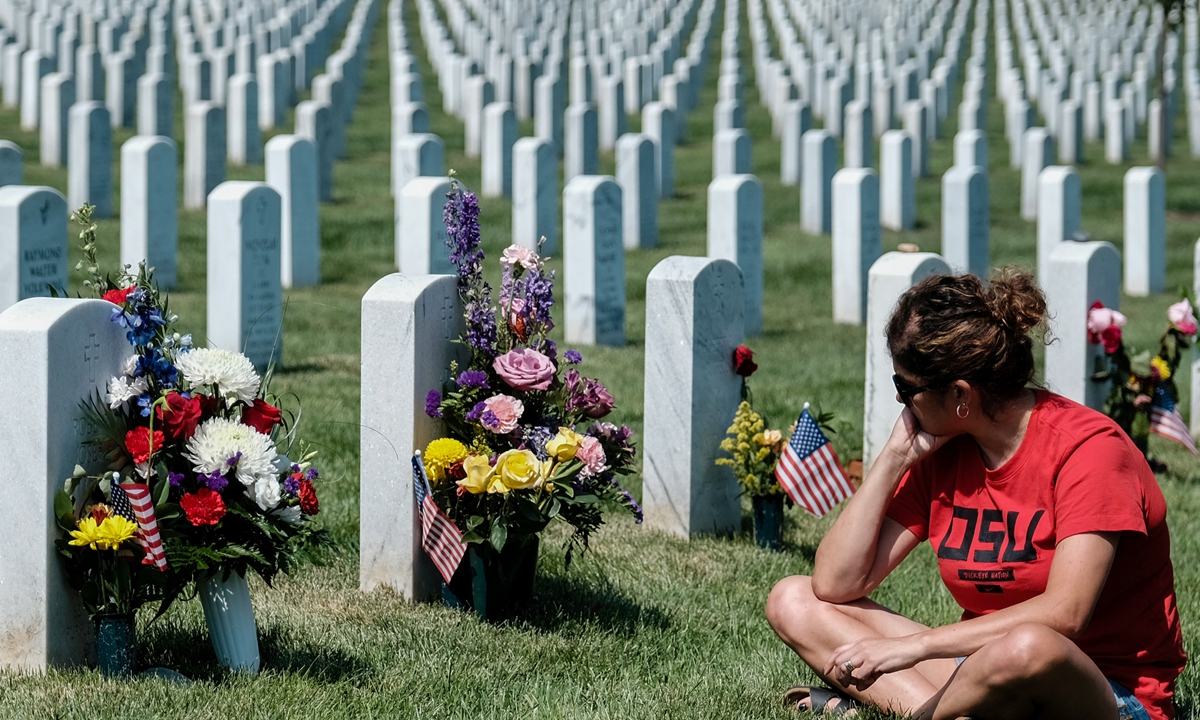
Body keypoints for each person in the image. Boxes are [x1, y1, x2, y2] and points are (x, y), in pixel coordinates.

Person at [765, 270, 1185, 719]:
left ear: (961, 394)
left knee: (1027, 645)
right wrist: (893, 458)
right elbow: (835, 584)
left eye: (905, 389)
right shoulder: (945, 449)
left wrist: (913, 648)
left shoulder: (1089, 451)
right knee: (793, 599)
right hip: (982, 667)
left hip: (1106, 692)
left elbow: (1065, 614)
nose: (900, 402)